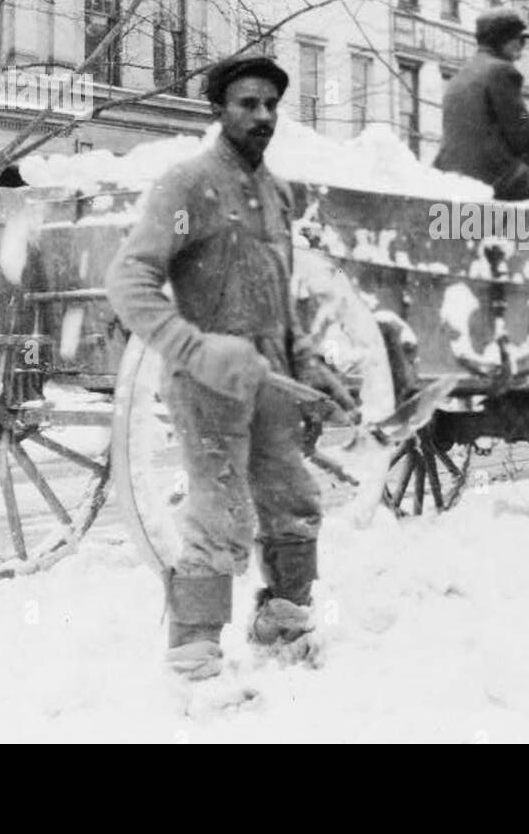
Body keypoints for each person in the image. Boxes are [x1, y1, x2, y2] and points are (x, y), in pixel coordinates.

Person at [105, 55, 354, 682]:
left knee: (294, 499)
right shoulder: (187, 186)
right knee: (220, 512)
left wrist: (310, 362)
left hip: (269, 376)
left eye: (271, 104)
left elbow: (283, 292)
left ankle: (284, 624)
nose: (263, 116)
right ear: (218, 109)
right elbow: (129, 280)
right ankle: (195, 659)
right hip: (206, 377)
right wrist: (193, 348)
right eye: (248, 103)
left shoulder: (276, 194)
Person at [433, 7, 529, 201]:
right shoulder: (501, 71)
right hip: (491, 176)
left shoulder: (463, 72)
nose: (522, 48)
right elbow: (522, 133)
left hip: (450, 172)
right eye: (520, 40)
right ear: (504, 38)